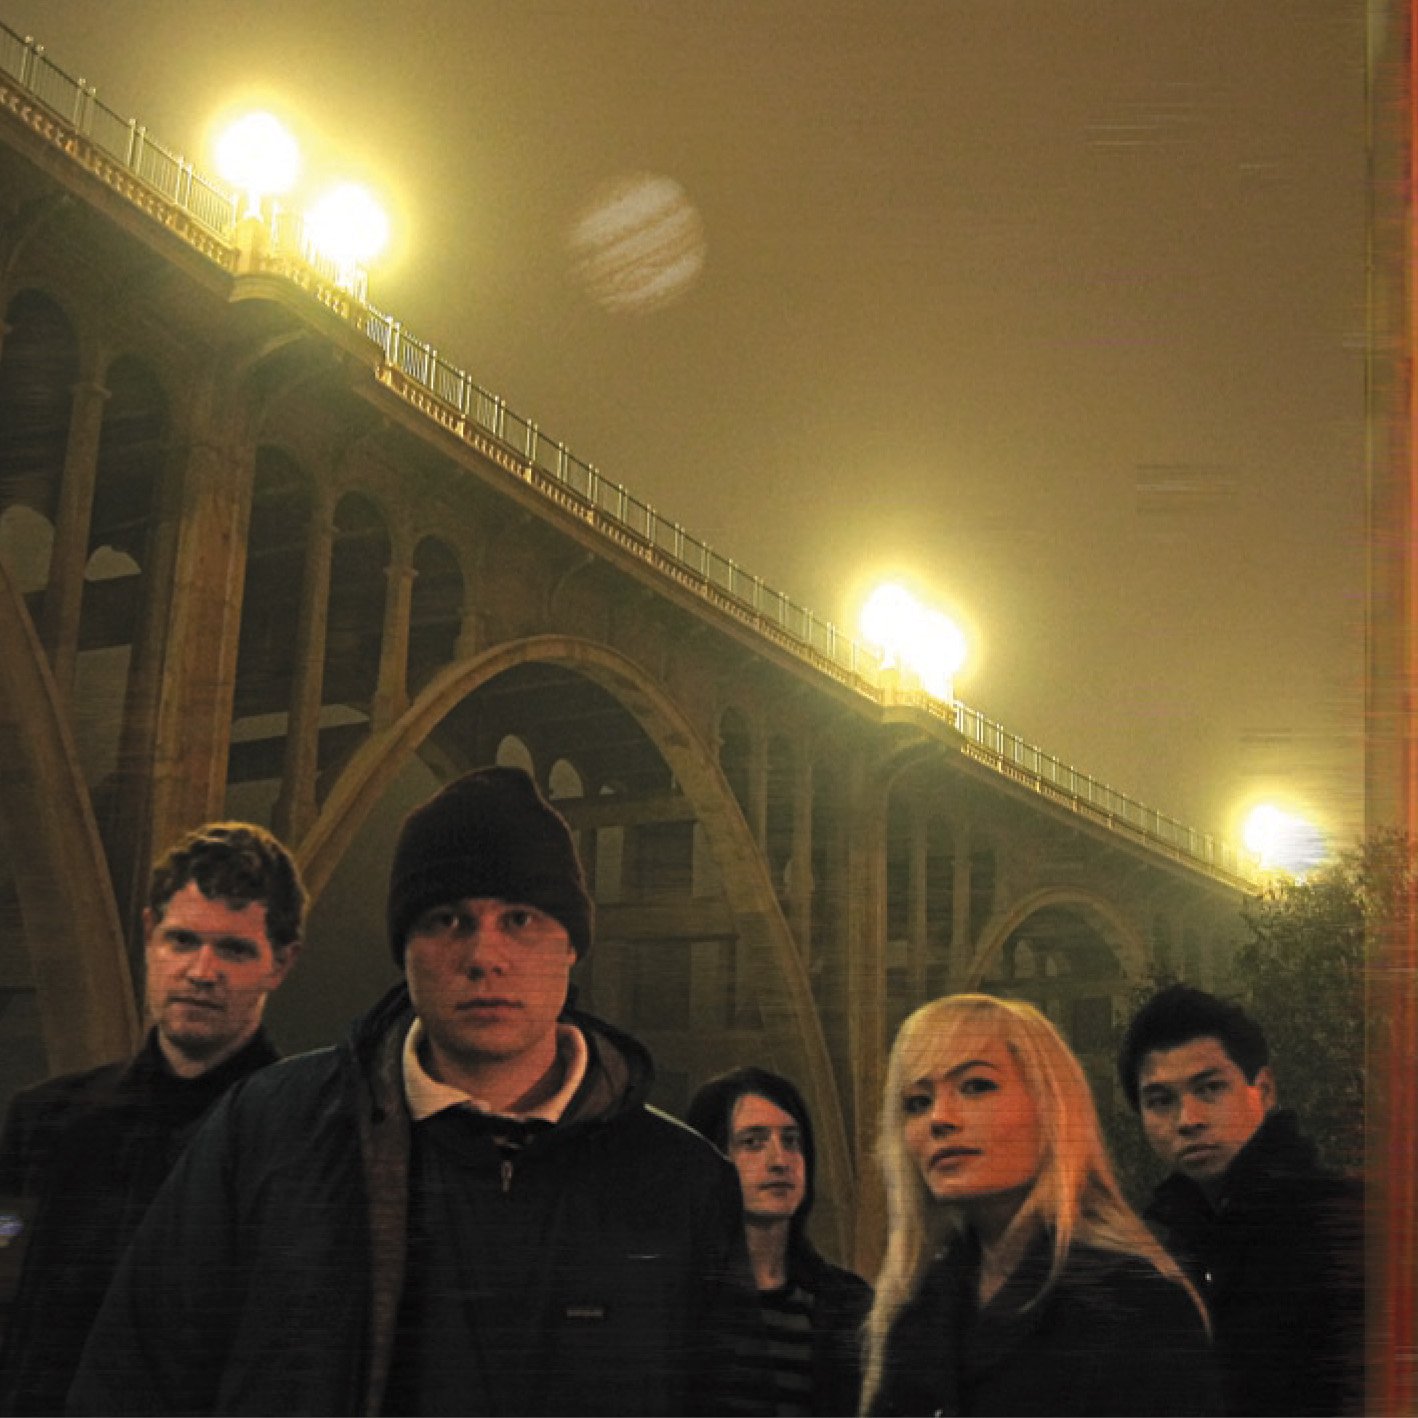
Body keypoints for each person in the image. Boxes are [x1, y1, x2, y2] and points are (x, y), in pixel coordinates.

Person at [70, 765, 758, 1416]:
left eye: (520, 919)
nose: (484, 956)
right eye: (447, 920)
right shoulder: (264, 1134)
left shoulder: (684, 1185)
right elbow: (131, 1381)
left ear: (572, 944)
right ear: (405, 948)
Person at [0, 821, 305, 1416]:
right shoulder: (43, 1121)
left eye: (234, 949)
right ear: (148, 936)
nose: (201, 971)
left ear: (281, 963)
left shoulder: (306, 1142)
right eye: (182, 940)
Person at [862, 993, 1219, 1417]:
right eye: (917, 1103)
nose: (940, 1118)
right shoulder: (919, 1306)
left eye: (976, 1086)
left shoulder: (1132, 1304)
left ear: (1051, 1108)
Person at [1117, 983, 1364, 1416]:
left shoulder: (1344, 1227)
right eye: (1160, 1101)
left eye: (1210, 1088)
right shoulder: (1167, 1248)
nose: (1188, 1119)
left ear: (1263, 1090)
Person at [686, 1066, 872, 1416]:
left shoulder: (848, 1305)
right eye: (752, 1143)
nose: (780, 1161)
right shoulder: (680, 1301)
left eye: (791, 1141)